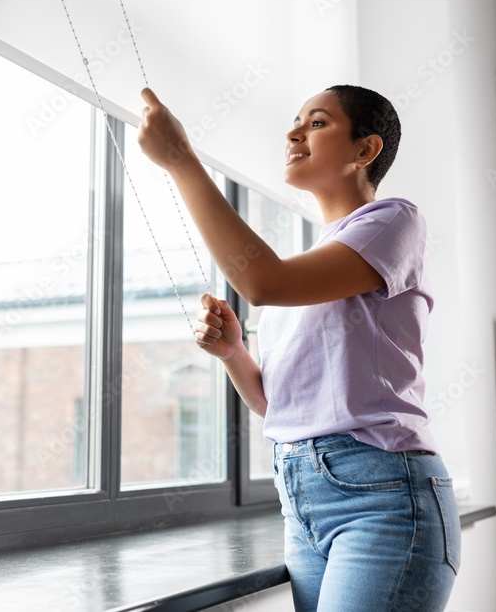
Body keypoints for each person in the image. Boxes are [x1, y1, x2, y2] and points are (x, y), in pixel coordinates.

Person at [137, 85, 461, 611]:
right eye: (295, 122)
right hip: (302, 502)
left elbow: (263, 282)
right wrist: (234, 355)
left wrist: (181, 161)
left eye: (316, 123)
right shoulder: (313, 269)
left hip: (382, 498)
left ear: (365, 151)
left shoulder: (394, 221)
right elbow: (279, 404)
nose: (292, 132)